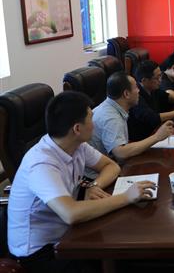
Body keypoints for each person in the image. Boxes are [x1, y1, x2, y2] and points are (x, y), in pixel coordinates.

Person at [8, 91, 156, 273]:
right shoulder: (41, 164)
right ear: (77, 129)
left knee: (124, 251)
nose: (94, 124)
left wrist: (93, 186)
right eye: (91, 118)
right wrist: (126, 197)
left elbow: (111, 166)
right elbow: (71, 213)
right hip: (40, 252)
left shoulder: (77, 145)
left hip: (68, 232)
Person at [88, 71, 173, 160]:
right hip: (104, 167)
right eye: (136, 87)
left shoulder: (111, 106)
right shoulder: (111, 117)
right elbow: (120, 152)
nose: (139, 91)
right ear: (126, 94)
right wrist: (157, 137)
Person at [127, 60, 174, 141]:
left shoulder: (152, 89)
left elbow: (166, 96)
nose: (160, 80)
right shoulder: (136, 96)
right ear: (144, 80)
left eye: (161, 76)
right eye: (157, 77)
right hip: (143, 139)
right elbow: (153, 118)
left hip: (157, 133)